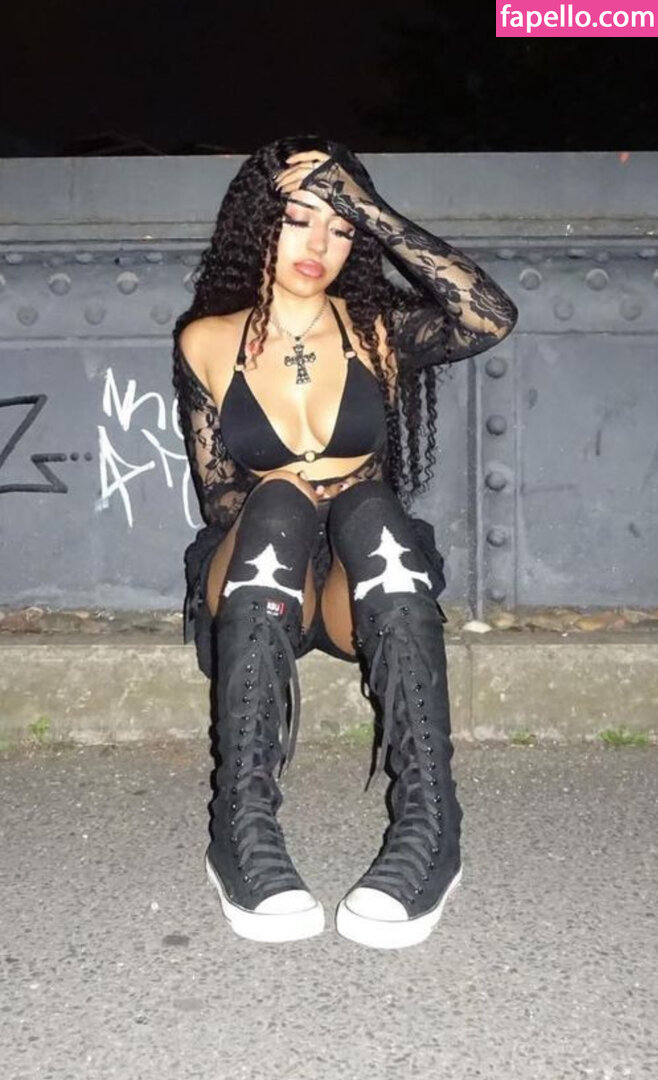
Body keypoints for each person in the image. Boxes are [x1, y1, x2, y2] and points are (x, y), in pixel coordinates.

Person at [172, 134, 518, 949]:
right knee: (276, 503)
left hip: (356, 585)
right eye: (298, 220)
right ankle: (242, 829)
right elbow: (220, 498)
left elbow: (489, 316)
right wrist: (289, 498)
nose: (318, 245)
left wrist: (371, 208)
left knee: (370, 507)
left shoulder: (376, 333)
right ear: (259, 225)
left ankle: (431, 826)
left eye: (339, 228)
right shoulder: (205, 341)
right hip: (263, 581)